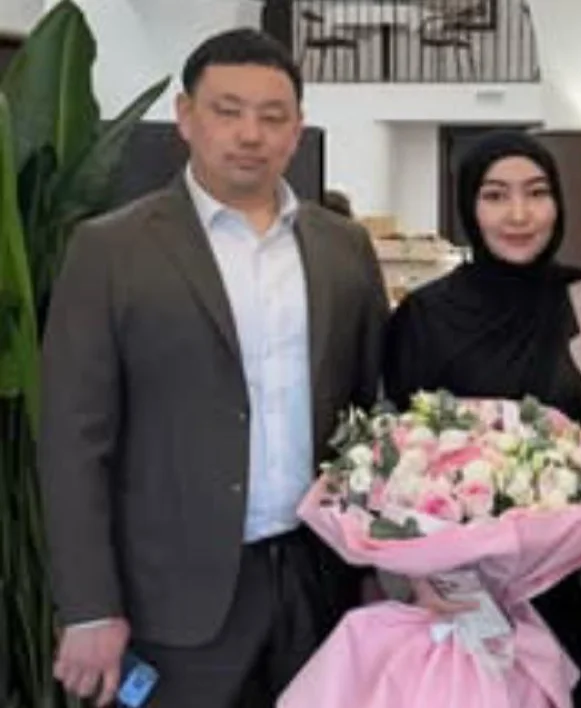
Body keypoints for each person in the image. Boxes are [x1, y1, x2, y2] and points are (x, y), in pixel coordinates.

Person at [38, 29, 389, 707]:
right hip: (171, 599)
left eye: (272, 116)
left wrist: (384, 565)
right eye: (228, 111)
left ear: (297, 129)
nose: (250, 134)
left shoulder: (343, 248)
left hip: (318, 583)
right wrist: (87, 607)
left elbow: (370, 415)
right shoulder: (110, 250)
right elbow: (72, 441)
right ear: (185, 116)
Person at [381, 129, 581, 708]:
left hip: (574, 580)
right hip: (463, 594)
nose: (519, 214)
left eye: (537, 192)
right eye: (496, 195)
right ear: (469, 207)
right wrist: (428, 575)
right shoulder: (425, 317)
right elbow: (395, 461)